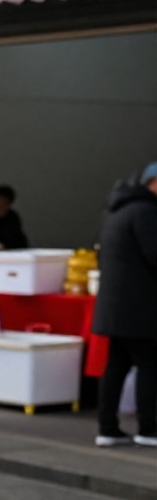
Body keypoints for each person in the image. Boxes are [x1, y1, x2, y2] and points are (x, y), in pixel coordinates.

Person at [91, 163, 157, 447]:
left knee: (116, 365)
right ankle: (148, 428)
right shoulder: (146, 211)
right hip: (139, 304)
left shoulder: (115, 210)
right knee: (149, 365)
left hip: (115, 304)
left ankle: (107, 428)